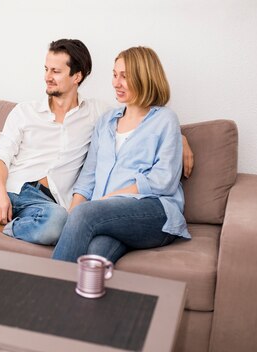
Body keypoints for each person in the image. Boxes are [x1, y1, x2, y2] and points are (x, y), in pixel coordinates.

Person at [0, 40, 193, 246]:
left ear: (77, 76)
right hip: (9, 186)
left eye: (56, 71)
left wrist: (180, 138)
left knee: (56, 225)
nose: (47, 77)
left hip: (47, 203)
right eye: (46, 69)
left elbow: (142, 119)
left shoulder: (99, 114)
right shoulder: (24, 111)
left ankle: (0, 228)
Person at [52, 46, 191, 263]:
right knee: (94, 254)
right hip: (108, 217)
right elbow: (87, 179)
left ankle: (45, 288)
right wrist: (72, 218)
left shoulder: (165, 120)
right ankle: (69, 296)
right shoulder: (106, 121)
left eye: (125, 77)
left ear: (144, 78)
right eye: (115, 75)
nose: (116, 83)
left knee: (85, 214)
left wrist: (105, 202)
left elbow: (163, 180)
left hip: (154, 211)